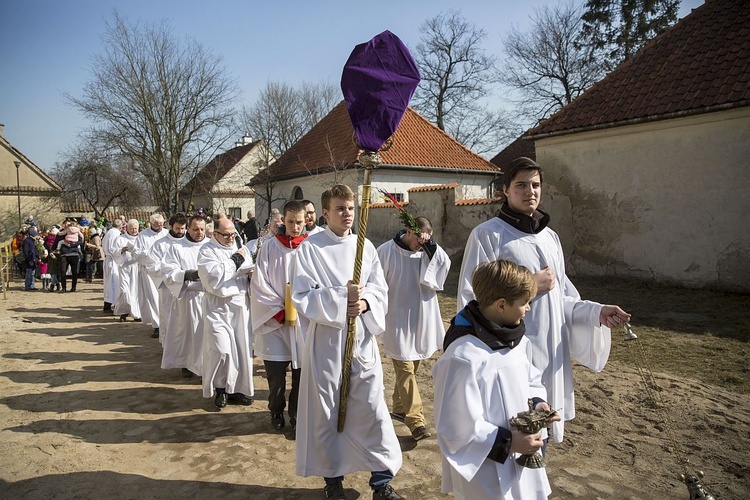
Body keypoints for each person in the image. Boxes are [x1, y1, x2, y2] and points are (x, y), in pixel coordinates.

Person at [457, 157, 630, 444]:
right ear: (506, 190)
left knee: (543, 430)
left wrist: (596, 312)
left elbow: (562, 299)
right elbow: (473, 297)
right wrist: (530, 285)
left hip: (550, 354)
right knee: (516, 432)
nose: (530, 192)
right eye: (521, 185)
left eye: (535, 185)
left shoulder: (551, 238)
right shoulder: (488, 235)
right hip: (509, 351)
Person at [290, 184, 403, 500]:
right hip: (326, 344)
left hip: (361, 344)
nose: (347, 214)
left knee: (372, 410)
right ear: (325, 213)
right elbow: (301, 295)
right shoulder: (310, 249)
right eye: (340, 208)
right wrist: (342, 299)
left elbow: (380, 289)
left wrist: (365, 303)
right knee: (329, 416)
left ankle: (381, 483)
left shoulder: (365, 247)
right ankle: (333, 482)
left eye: (351, 208)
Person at [434, 259, 560, 500]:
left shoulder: (517, 339)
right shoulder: (464, 357)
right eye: (525, 303)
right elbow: (454, 427)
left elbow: (530, 378)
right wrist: (509, 442)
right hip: (487, 472)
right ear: (501, 305)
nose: (529, 309)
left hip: (522, 461)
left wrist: (538, 404)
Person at [377, 215, 450, 442]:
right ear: (409, 231)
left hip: (421, 318)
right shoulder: (387, 251)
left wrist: (430, 246)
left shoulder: (428, 252)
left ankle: (399, 405)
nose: (420, 243)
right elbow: (376, 283)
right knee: (406, 368)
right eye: (419, 238)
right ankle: (416, 420)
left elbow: (443, 266)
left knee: (414, 361)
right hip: (396, 319)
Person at [251, 200, 308, 432]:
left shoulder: (310, 247)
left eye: (300, 222)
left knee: (300, 375)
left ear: (306, 221)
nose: (295, 227)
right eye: (291, 222)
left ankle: (296, 414)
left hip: (303, 323)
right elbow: (259, 284)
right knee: (275, 377)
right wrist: (280, 310)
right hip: (275, 322)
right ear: (283, 220)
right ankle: (276, 409)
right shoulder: (269, 247)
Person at [198, 214, 254, 409]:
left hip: (239, 305)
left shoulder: (241, 248)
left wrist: (251, 275)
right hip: (217, 307)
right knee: (221, 350)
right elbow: (213, 277)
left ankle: (236, 390)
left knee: (240, 349)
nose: (231, 238)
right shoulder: (207, 251)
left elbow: (248, 268)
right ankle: (220, 389)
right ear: (215, 234)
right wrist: (236, 260)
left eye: (233, 234)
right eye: (226, 235)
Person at [162, 214, 208, 378]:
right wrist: (187, 274)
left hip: (208, 296)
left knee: (205, 333)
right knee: (189, 332)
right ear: (188, 229)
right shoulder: (177, 247)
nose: (199, 232)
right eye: (195, 229)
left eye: (202, 229)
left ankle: (205, 364)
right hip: (187, 296)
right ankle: (188, 363)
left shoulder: (210, 246)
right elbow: (168, 271)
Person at [146, 213, 187, 339]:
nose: (180, 232)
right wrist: (171, 275)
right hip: (168, 288)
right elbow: (152, 265)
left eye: (182, 228)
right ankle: (168, 348)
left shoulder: (188, 243)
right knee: (169, 317)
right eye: (177, 228)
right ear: (170, 226)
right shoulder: (160, 244)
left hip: (187, 289)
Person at [133, 214, 167, 337]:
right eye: (157, 225)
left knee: (165, 297)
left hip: (163, 270)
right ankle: (157, 325)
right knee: (153, 297)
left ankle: (166, 323)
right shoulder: (143, 236)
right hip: (149, 271)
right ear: (151, 223)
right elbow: (136, 253)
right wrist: (150, 254)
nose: (159, 227)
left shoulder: (166, 234)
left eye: (161, 225)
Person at [113, 219, 142, 322]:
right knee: (124, 290)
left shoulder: (141, 238)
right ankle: (123, 312)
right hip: (125, 268)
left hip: (137, 268)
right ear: (127, 228)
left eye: (135, 228)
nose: (134, 230)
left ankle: (137, 313)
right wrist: (122, 250)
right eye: (131, 228)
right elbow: (114, 252)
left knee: (136, 291)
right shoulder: (120, 239)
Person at [102, 219, 124, 313]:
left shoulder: (109, 232)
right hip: (113, 260)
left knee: (110, 284)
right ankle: (111, 305)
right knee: (114, 284)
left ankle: (109, 304)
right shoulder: (115, 234)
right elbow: (113, 248)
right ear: (121, 226)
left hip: (110, 260)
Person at [57, 224, 84, 293]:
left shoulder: (67, 231)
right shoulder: (65, 231)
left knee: (74, 272)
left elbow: (80, 241)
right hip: (64, 254)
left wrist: (70, 244)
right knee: (63, 271)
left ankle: (73, 287)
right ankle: (64, 287)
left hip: (73, 253)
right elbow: (57, 240)